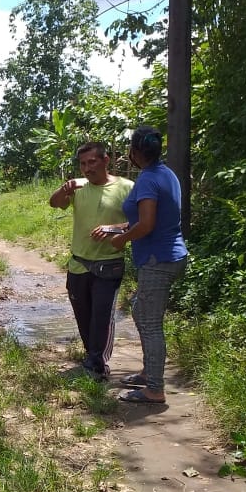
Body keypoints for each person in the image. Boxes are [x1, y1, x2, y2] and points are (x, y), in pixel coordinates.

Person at [106, 126, 189, 404]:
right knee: (140, 310)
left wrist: (121, 240)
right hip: (169, 255)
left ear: (134, 152)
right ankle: (148, 372)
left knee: (151, 323)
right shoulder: (166, 174)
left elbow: (147, 224)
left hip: (158, 259)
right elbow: (149, 217)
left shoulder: (147, 180)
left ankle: (155, 389)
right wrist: (119, 228)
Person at [49, 142, 132, 381]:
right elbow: (55, 203)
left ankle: (97, 363)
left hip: (109, 263)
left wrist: (114, 228)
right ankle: (91, 357)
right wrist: (64, 189)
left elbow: (141, 222)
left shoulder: (127, 188)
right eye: (83, 164)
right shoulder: (78, 187)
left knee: (101, 316)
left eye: (92, 162)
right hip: (78, 263)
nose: (87, 168)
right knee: (83, 314)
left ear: (106, 160)